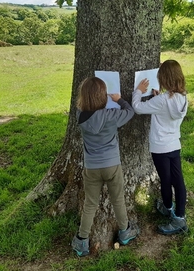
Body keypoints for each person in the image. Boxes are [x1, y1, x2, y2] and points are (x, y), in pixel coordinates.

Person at [71, 77, 139, 257]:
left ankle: (82, 241)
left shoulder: (79, 115)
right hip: (112, 165)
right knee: (118, 200)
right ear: (103, 96)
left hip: (91, 167)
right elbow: (130, 111)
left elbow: (86, 109)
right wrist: (119, 100)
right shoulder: (111, 115)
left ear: (83, 96)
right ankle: (125, 232)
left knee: (90, 204)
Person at [132, 60, 189, 235]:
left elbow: (137, 107)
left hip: (160, 147)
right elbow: (166, 106)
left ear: (163, 78)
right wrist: (158, 98)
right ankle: (179, 216)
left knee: (166, 180)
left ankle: (168, 209)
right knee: (178, 180)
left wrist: (138, 92)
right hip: (174, 144)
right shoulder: (183, 97)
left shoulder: (162, 100)